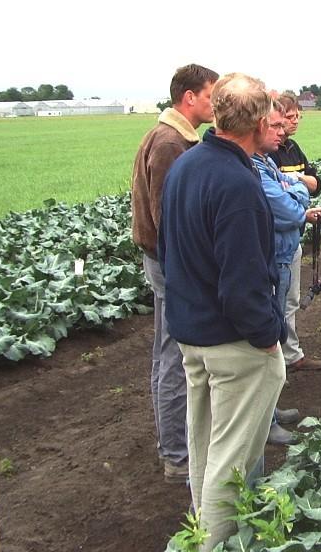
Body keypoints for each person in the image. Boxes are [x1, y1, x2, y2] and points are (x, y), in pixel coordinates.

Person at [158, 73, 286, 552]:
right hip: (233, 342)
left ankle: (199, 533)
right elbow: (243, 284)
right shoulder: (238, 184)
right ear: (256, 121)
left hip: (192, 334)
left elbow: (168, 249)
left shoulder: (186, 166)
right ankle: (211, 544)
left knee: (205, 448)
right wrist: (267, 336)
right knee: (232, 459)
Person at [130, 63, 218, 483]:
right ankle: (176, 455)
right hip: (168, 262)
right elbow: (168, 215)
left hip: (166, 259)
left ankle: (176, 446)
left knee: (168, 353)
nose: (215, 104)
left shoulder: (175, 137)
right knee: (173, 356)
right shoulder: (169, 143)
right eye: (210, 96)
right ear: (190, 99)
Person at [252, 97, 321, 444]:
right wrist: (296, 189)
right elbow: (285, 207)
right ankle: (264, 421)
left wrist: (291, 187)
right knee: (267, 336)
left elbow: (306, 186)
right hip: (273, 254)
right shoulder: (254, 165)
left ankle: (270, 408)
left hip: (284, 249)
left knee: (280, 324)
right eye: (277, 125)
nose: (284, 132)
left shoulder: (267, 161)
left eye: (287, 124)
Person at [270, 93, 321, 372]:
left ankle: (290, 354)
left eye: (294, 118)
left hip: (294, 235)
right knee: (277, 302)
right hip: (276, 240)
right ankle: (278, 359)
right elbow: (285, 202)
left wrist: (295, 183)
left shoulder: (293, 148)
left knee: (290, 299)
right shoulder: (267, 154)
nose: (291, 124)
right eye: (286, 119)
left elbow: (316, 183)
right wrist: (300, 187)